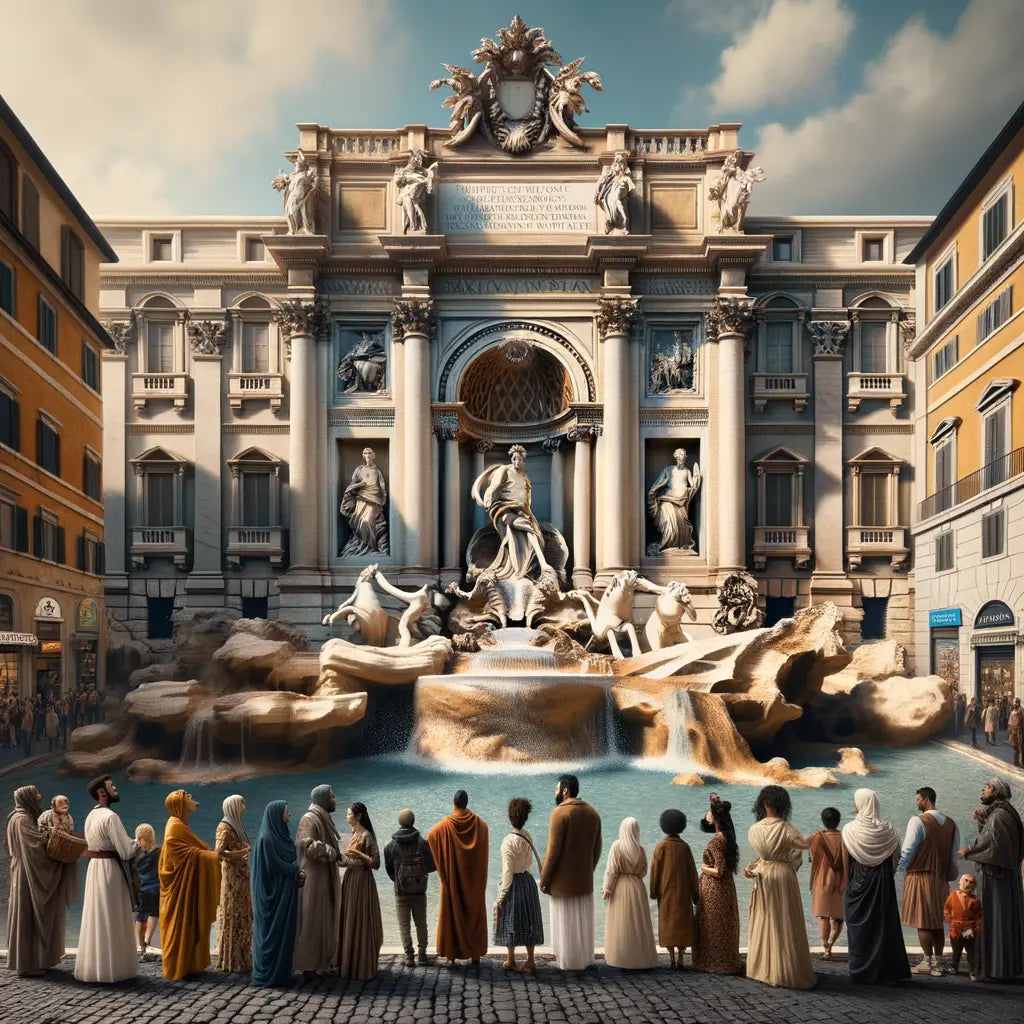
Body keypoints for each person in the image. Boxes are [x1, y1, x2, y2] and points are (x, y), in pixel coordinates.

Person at [744, 785, 815, 989]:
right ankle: (785, 970)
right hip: (783, 876)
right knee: (785, 920)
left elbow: (762, 853)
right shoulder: (786, 828)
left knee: (764, 918)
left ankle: (762, 969)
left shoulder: (753, 830)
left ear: (763, 804)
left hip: (762, 873)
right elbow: (803, 845)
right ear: (783, 805)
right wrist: (816, 836)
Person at [956, 777, 1024, 981]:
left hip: (996, 878)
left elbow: (990, 843)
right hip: (1005, 876)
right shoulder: (1005, 813)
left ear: (995, 791)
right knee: (1002, 919)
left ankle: (993, 969)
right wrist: (983, 819)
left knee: (993, 919)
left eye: (986, 788)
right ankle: (1002, 967)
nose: (983, 790)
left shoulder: (999, 816)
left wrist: (967, 850)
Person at [5, 785, 77, 976]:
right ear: (28, 797)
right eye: (36, 794)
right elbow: (35, 846)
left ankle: (39, 960)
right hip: (28, 874)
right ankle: (28, 964)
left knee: (31, 916)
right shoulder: (21, 819)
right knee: (29, 916)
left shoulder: (21, 817)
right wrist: (57, 841)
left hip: (25, 870)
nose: (40, 796)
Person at [841, 788, 910, 985]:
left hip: (858, 882)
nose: (854, 805)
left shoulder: (849, 831)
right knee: (883, 927)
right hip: (882, 883)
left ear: (862, 804)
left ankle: (861, 971)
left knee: (859, 929)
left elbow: (846, 864)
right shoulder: (889, 831)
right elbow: (896, 858)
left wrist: (848, 885)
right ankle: (885, 972)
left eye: (856, 801)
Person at [75, 776, 140, 983]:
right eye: (112, 786)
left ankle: (96, 969)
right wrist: (139, 841)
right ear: (102, 793)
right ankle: (116, 970)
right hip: (110, 869)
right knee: (112, 916)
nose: (115, 788)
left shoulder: (90, 816)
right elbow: (126, 851)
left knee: (97, 916)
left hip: (95, 868)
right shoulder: (111, 817)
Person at [540, 774, 602, 974]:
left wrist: (545, 878)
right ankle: (583, 959)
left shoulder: (559, 813)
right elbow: (598, 848)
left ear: (565, 791)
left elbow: (553, 851)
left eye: (557, 789)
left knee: (565, 921)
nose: (555, 792)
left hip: (562, 882)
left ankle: (567, 962)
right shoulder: (593, 812)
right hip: (584, 880)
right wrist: (588, 869)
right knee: (582, 921)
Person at [158, 790, 222, 981]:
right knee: (179, 925)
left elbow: (191, 851)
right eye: (190, 798)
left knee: (188, 923)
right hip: (178, 890)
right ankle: (177, 966)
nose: (195, 801)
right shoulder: (175, 826)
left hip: (184, 886)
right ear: (179, 804)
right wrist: (217, 855)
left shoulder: (180, 824)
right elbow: (185, 855)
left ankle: (189, 963)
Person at [897, 786, 960, 976]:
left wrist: (899, 869)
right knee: (938, 922)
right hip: (941, 879)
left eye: (918, 799)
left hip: (920, 876)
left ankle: (927, 962)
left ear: (926, 799)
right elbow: (953, 856)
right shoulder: (951, 824)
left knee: (923, 921)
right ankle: (939, 963)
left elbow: (907, 850)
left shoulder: (918, 821)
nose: (916, 803)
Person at [427, 790, 489, 966]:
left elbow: (430, 837)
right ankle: (475, 955)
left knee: (451, 913)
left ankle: (452, 957)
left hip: (453, 881)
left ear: (454, 803)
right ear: (466, 803)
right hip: (474, 883)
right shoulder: (481, 826)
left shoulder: (444, 826)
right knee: (474, 914)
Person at [471, 445, 550, 580]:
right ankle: (542, 566)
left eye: (519, 459)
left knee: (536, 535)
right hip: (504, 509)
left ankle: (522, 568)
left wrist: (527, 512)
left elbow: (528, 498)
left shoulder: (525, 477)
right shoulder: (505, 470)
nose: (516, 462)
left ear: (524, 461)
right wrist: (487, 499)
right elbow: (494, 486)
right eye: (514, 459)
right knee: (526, 527)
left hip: (521, 511)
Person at [251, 801, 305, 988]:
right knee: (271, 935)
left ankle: (282, 974)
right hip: (273, 896)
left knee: (285, 933)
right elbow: (276, 864)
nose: (289, 814)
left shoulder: (279, 835)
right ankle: (268, 976)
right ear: (276, 815)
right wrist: (296, 869)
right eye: (287, 812)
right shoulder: (267, 839)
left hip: (284, 892)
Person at [294, 785, 342, 978]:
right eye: (332, 796)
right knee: (312, 921)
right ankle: (308, 965)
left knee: (324, 919)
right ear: (323, 799)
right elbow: (306, 846)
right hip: (314, 878)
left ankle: (323, 961)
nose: (334, 800)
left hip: (325, 875)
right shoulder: (309, 819)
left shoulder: (323, 817)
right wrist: (330, 851)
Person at [494, 797, 544, 974]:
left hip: (514, 883)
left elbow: (507, 871)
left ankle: (511, 959)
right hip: (527, 881)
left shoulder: (507, 841)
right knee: (529, 921)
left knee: (510, 920)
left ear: (510, 817)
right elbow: (529, 861)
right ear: (525, 818)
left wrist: (501, 895)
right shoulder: (527, 835)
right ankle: (530, 960)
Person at [602, 817, 658, 970]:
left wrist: (607, 888)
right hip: (637, 886)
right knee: (638, 923)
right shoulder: (640, 849)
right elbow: (644, 870)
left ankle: (621, 958)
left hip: (621, 886)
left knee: (621, 923)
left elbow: (612, 871)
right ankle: (640, 957)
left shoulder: (617, 846)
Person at [693, 795, 740, 974]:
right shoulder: (729, 838)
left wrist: (704, 868)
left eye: (709, 812)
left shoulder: (716, 841)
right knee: (725, 923)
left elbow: (718, 871)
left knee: (712, 924)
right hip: (727, 887)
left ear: (716, 818)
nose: (707, 815)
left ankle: (712, 961)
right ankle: (726, 959)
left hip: (715, 889)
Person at [384, 808, 436, 968]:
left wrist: (397, 881)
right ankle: (422, 955)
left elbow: (389, 870)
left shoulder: (391, 845)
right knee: (422, 924)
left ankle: (409, 957)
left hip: (401, 891)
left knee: (404, 926)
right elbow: (432, 866)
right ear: (413, 821)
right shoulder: (422, 842)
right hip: (420, 890)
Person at [337, 801, 383, 981]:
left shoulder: (367, 836)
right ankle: (348, 963)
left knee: (360, 920)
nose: (346, 816)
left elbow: (376, 863)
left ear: (358, 816)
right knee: (349, 919)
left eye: (348, 814)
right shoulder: (354, 833)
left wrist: (360, 855)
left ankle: (360, 965)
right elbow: (346, 859)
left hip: (362, 882)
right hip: (350, 880)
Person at [649, 808, 700, 969]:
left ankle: (671, 959)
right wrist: (695, 894)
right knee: (683, 925)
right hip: (683, 893)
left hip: (666, 893)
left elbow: (655, 872)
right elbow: (692, 872)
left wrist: (654, 891)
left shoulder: (660, 847)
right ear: (682, 826)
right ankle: (680, 958)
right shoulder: (685, 847)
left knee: (668, 924)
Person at [214, 794, 253, 974]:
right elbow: (220, 853)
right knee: (233, 913)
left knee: (242, 914)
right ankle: (233, 960)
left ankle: (242, 958)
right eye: (242, 803)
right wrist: (243, 852)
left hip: (241, 876)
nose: (244, 805)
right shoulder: (225, 827)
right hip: (232, 878)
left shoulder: (235, 825)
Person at [808, 807, 847, 960]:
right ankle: (830, 944)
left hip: (821, 880)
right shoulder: (845, 837)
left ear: (823, 821)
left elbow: (810, 857)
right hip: (841, 881)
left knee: (823, 916)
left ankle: (825, 948)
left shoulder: (817, 837)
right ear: (838, 821)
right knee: (838, 917)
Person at [647, 448, 702, 553]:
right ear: (676, 457)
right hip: (666, 501)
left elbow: (693, 485)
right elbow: (658, 483)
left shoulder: (687, 471)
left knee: (683, 526)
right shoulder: (668, 470)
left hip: (681, 503)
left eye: (683, 456)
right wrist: (652, 494)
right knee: (670, 524)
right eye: (679, 456)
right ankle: (667, 546)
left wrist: (696, 480)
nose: (681, 458)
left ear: (685, 458)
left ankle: (679, 545)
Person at [339, 448, 389, 556]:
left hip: (373, 500)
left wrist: (382, 499)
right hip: (361, 499)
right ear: (363, 455)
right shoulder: (359, 469)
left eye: (369, 453)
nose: (367, 455)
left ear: (373, 455)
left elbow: (381, 486)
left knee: (367, 522)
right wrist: (356, 487)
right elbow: (354, 482)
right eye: (365, 453)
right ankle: (364, 547)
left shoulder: (377, 471)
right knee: (359, 522)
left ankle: (371, 548)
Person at [944, 872, 983, 978]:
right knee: (956, 950)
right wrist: (949, 918)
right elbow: (947, 908)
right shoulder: (953, 895)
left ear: (974, 885)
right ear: (960, 881)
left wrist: (976, 928)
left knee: (970, 949)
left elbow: (979, 916)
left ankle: (972, 970)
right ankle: (954, 966)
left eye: (971, 882)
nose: (968, 884)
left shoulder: (975, 900)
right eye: (966, 880)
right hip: (956, 928)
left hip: (967, 928)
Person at [134, 823, 161, 962]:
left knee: (141, 917)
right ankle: (146, 943)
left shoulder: (137, 855)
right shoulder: (159, 852)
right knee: (153, 915)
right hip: (155, 889)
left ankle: (142, 946)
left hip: (144, 890)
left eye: (139, 839)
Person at [1008, 698, 1024, 768]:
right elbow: (1010, 721)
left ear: (1018, 703)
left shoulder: (1022, 711)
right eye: (1014, 702)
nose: (1014, 704)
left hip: (1020, 731)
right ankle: (1016, 762)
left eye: (1016, 703)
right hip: (1014, 731)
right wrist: (1009, 729)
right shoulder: (1013, 711)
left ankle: (1022, 762)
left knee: (1021, 747)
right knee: (1014, 746)